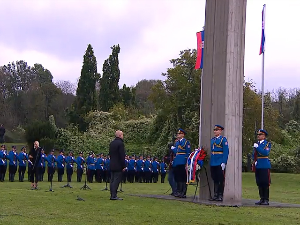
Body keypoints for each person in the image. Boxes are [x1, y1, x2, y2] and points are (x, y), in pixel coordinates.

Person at [209, 125, 229, 201]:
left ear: (220, 131)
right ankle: (215, 194)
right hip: (213, 161)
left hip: (219, 161)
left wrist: (224, 162)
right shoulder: (212, 140)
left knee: (220, 179)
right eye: (214, 130)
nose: (215, 131)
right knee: (215, 179)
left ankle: (220, 195)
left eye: (217, 130)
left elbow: (226, 151)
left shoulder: (223, 140)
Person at [253, 129, 271, 205]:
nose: (258, 136)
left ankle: (266, 199)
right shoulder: (257, 144)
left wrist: (257, 147)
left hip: (264, 165)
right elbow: (253, 154)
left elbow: (265, 153)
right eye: (258, 135)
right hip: (258, 165)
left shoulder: (267, 144)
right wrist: (254, 160)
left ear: (264, 136)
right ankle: (261, 198)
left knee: (265, 182)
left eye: (260, 135)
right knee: (259, 182)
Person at [172, 128, 191, 198]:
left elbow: (188, 152)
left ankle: (183, 192)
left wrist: (186, 162)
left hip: (183, 161)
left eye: (179, 134)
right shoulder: (177, 142)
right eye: (178, 134)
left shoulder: (186, 142)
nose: (178, 135)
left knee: (183, 177)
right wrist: (173, 149)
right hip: (177, 161)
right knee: (177, 177)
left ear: (183, 135)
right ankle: (179, 191)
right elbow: (176, 151)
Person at [109, 130, 126, 200]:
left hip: (112, 164)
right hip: (118, 165)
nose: (123, 136)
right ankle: (114, 195)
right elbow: (122, 156)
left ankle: (112, 194)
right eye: (122, 135)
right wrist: (123, 166)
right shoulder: (120, 144)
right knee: (116, 180)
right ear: (119, 135)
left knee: (112, 180)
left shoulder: (112, 143)